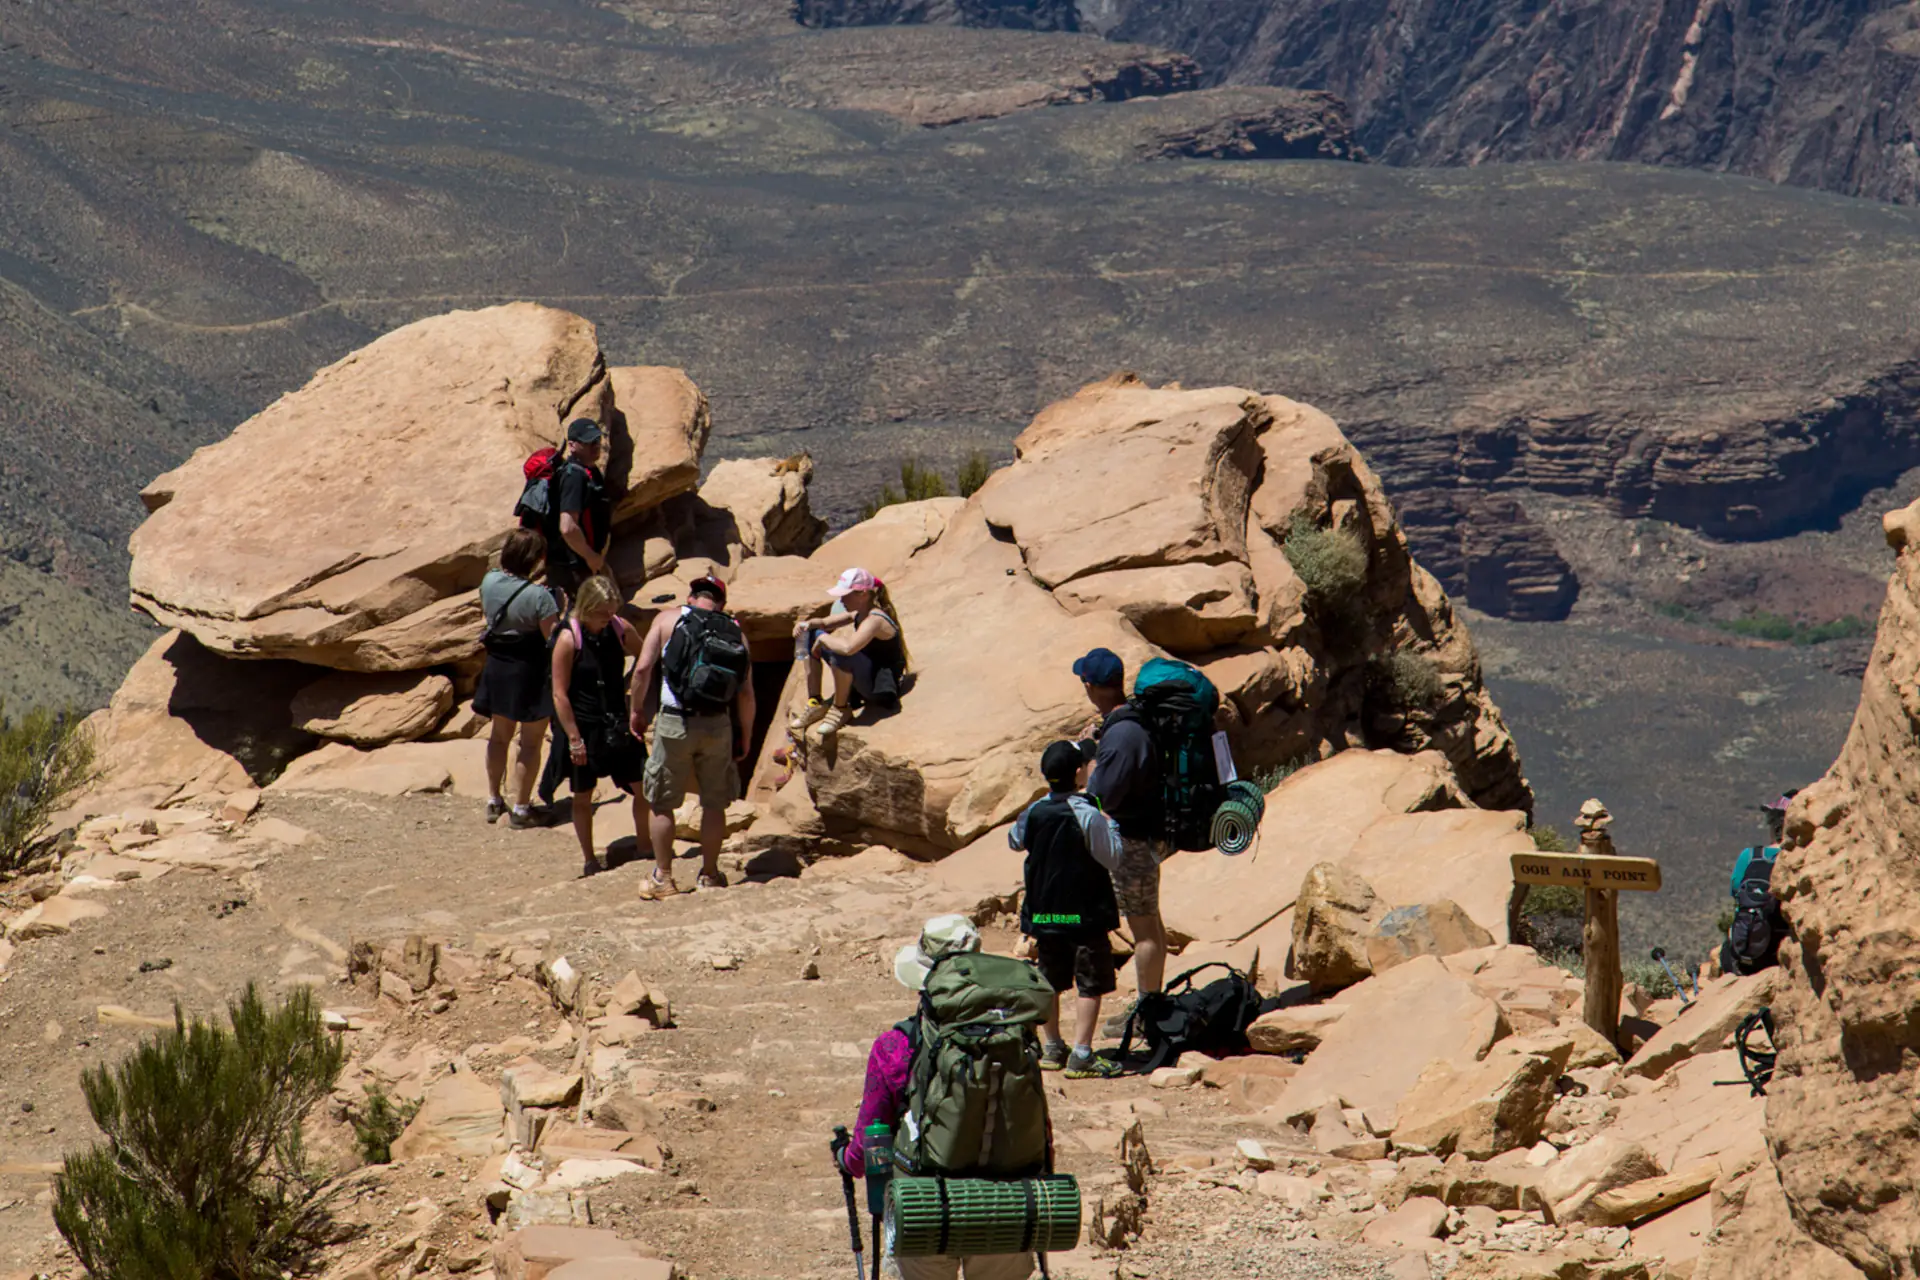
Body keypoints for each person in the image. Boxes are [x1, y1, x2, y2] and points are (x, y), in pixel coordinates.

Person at [841, 916, 1037, 1280]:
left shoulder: (896, 1046)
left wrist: (845, 1158)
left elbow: (870, 1142)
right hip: (1005, 1204)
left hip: (924, 1208)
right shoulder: (1014, 1038)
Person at [630, 576, 754, 901]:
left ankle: (663, 878)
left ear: (690, 597)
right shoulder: (735, 632)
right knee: (714, 803)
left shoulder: (667, 619)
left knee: (662, 802)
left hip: (675, 722)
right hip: (718, 724)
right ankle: (710, 876)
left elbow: (642, 670)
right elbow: (746, 693)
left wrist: (637, 711)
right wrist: (746, 734)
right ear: (721, 603)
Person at [1012, 740, 1125, 1079]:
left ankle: (1052, 1047)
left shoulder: (1034, 811)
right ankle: (1082, 1053)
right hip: (1084, 914)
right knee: (1090, 981)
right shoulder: (1088, 814)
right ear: (1078, 773)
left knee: (1050, 978)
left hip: (1046, 913)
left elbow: (1015, 840)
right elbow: (1112, 857)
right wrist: (1111, 825)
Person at [1072, 647, 1170, 1033]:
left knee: (1143, 929)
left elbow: (1101, 796)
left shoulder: (1122, 734)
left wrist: (1089, 762)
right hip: (1145, 834)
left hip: (1132, 841)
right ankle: (1152, 1004)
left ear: (1090, 686)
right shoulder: (1128, 720)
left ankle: (1147, 1016)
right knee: (1150, 923)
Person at [550, 575, 649, 878]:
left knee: (644, 786)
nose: (608, 617)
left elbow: (645, 658)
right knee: (583, 796)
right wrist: (574, 738)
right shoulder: (568, 638)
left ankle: (645, 846)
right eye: (602, 612)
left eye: (611, 610)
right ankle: (590, 859)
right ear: (586, 607)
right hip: (585, 726)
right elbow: (559, 693)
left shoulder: (620, 628)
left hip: (618, 722)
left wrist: (636, 695)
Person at [474, 529, 560, 828]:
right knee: (530, 743)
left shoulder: (489, 581)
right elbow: (553, 640)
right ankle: (522, 809)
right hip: (530, 673)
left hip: (498, 667)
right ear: (536, 559)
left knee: (499, 736)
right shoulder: (541, 597)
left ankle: (494, 799)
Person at [789, 567, 909, 739]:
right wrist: (805, 625)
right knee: (810, 633)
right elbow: (824, 623)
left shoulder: (875, 620)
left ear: (863, 594)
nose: (841, 599)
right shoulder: (859, 613)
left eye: (845, 595)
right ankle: (815, 701)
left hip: (880, 688)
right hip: (865, 678)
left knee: (841, 653)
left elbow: (848, 648)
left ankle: (840, 708)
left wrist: (822, 639)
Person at [1721, 791, 1797, 975]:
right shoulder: (1800, 860)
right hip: (1780, 956)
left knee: (1726, 949)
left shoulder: (1749, 856)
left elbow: (1736, 893)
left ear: (1776, 825)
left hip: (1744, 954)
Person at [543, 418, 614, 607]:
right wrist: (591, 557)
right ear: (572, 445)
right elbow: (568, 527)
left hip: (585, 562)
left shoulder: (589, 471)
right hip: (574, 566)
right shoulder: (573, 476)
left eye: (597, 440)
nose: (595, 446)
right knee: (583, 616)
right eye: (588, 442)